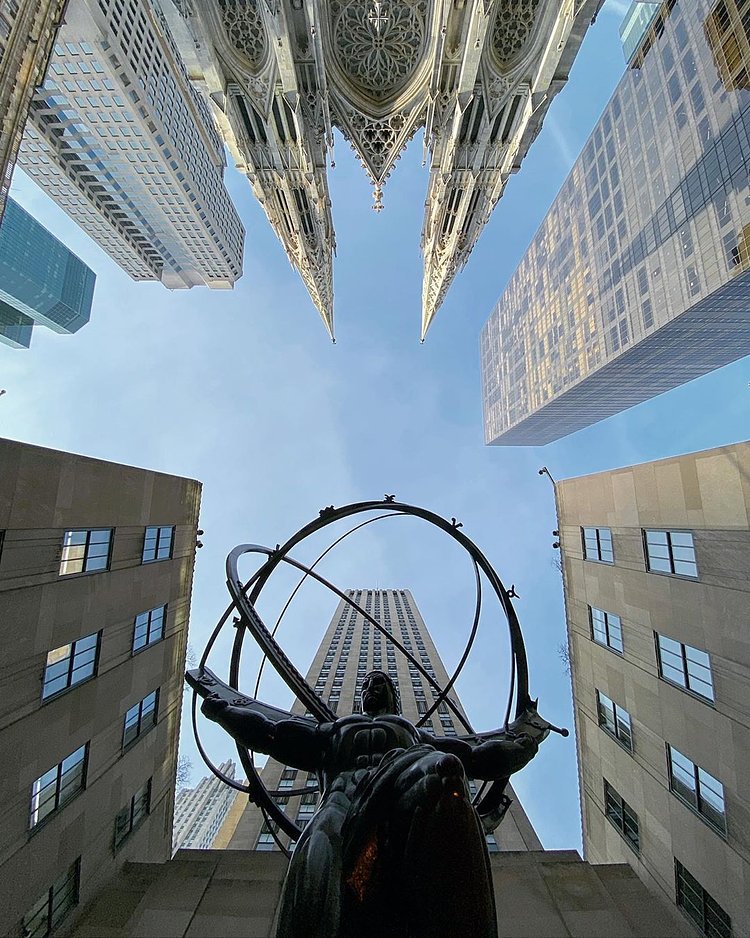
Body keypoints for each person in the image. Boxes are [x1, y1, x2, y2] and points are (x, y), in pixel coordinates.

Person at [201, 669, 542, 938]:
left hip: (399, 791)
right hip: (340, 803)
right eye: (366, 684)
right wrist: (223, 712)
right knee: (318, 854)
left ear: (394, 695)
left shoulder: (414, 734)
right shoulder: (333, 730)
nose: (370, 688)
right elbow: (270, 734)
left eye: (379, 683)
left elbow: (478, 757)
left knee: (445, 771)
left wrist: (523, 747)